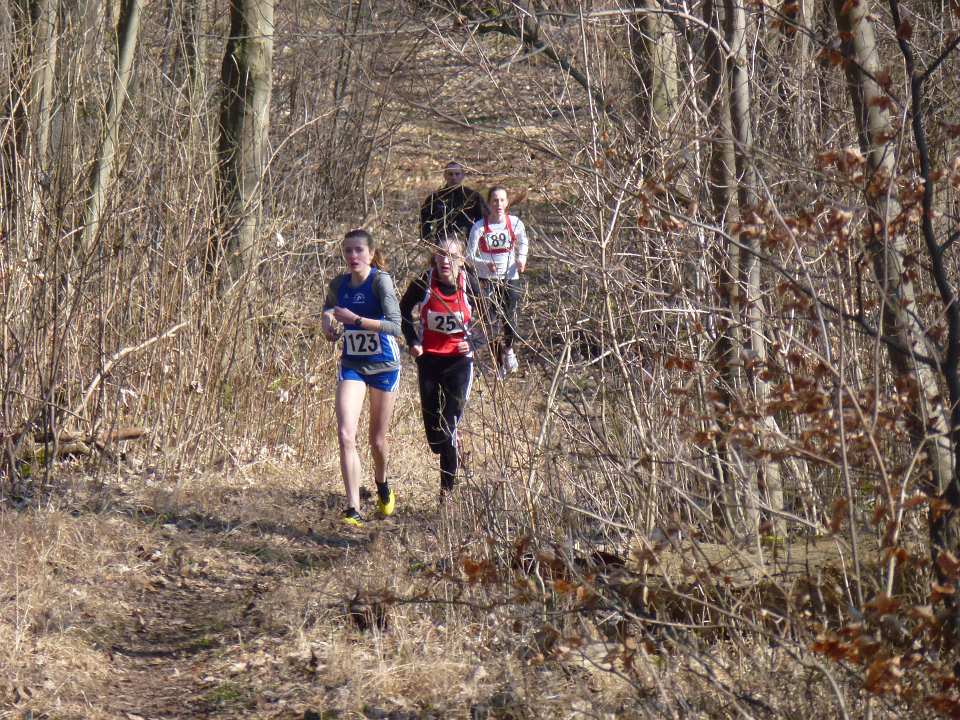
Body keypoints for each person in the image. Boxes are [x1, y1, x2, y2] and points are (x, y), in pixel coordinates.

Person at [322, 229, 403, 526]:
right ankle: (353, 508)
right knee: (346, 434)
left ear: (370, 253)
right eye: (348, 251)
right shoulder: (338, 284)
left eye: (358, 250)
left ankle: (382, 484)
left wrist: (356, 320)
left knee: (377, 441)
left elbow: (395, 326)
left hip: (384, 365)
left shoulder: (381, 281)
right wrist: (327, 323)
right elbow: (328, 309)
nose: (353, 256)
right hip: (352, 365)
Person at [399, 234, 482, 493]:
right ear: (434, 257)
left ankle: (446, 495)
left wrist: (474, 341)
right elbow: (403, 311)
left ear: (461, 260)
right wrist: (413, 340)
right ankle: (450, 445)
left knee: (447, 430)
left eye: (452, 256)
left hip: (459, 363)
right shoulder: (424, 281)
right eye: (441, 254)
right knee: (435, 438)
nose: (446, 260)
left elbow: (491, 316)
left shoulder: (470, 284)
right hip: (429, 361)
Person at [466, 186, 529, 376]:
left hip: (510, 277)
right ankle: (499, 363)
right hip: (486, 280)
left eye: (502, 200)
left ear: (507, 202)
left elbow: (524, 242)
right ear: (488, 203)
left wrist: (521, 258)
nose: (498, 204)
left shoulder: (515, 223)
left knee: (510, 318)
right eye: (494, 200)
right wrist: (484, 263)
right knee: (490, 324)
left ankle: (509, 350)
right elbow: (469, 256)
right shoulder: (479, 226)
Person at [419, 161, 485, 242]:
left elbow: (483, 219)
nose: (453, 177)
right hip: (443, 243)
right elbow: (424, 220)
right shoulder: (436, 197)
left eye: (457, 174)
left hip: (468, 242)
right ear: (445, 176)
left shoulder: (472, 196)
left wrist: (479, 239)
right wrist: (427, 240)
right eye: (450, 174)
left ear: (463, 175)